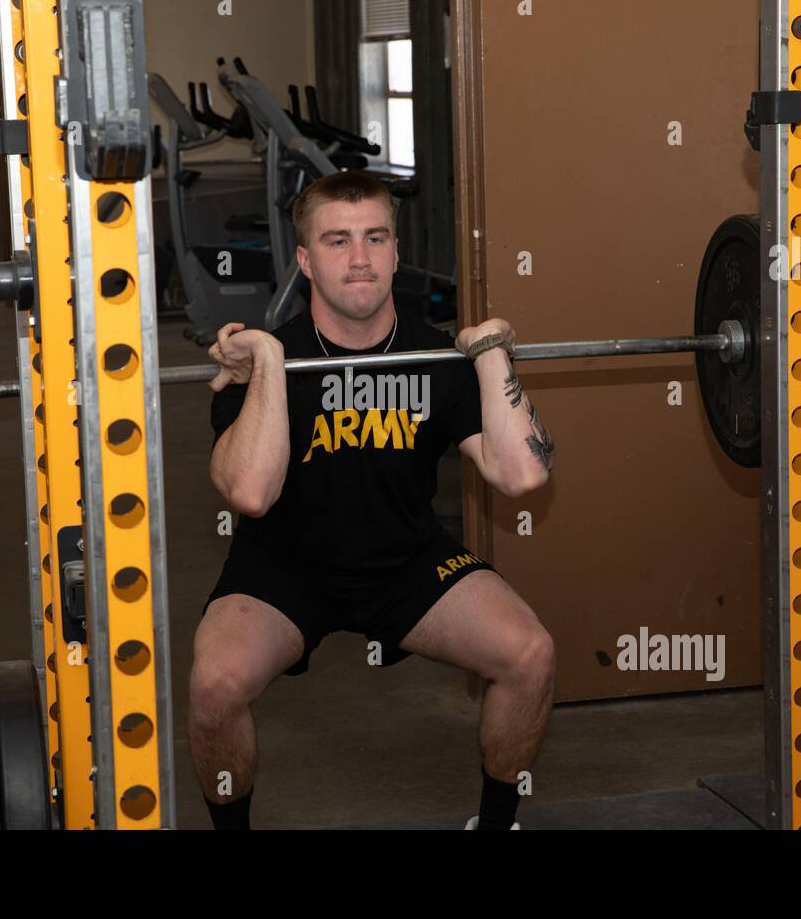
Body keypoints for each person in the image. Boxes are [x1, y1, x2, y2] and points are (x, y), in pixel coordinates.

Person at [191, 169, 556, 830]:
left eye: (374, 238)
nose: (359, 259)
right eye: (336, 241)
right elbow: (249, 492)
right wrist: (270, 362)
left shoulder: (435, 357)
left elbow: (522, 476)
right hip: (283, 569)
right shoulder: (261, 365)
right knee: (214, 685)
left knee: (529, 654)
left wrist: (491, 355)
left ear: (394, 250)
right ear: (304, 260)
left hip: (407, 564)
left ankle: (497, 824)